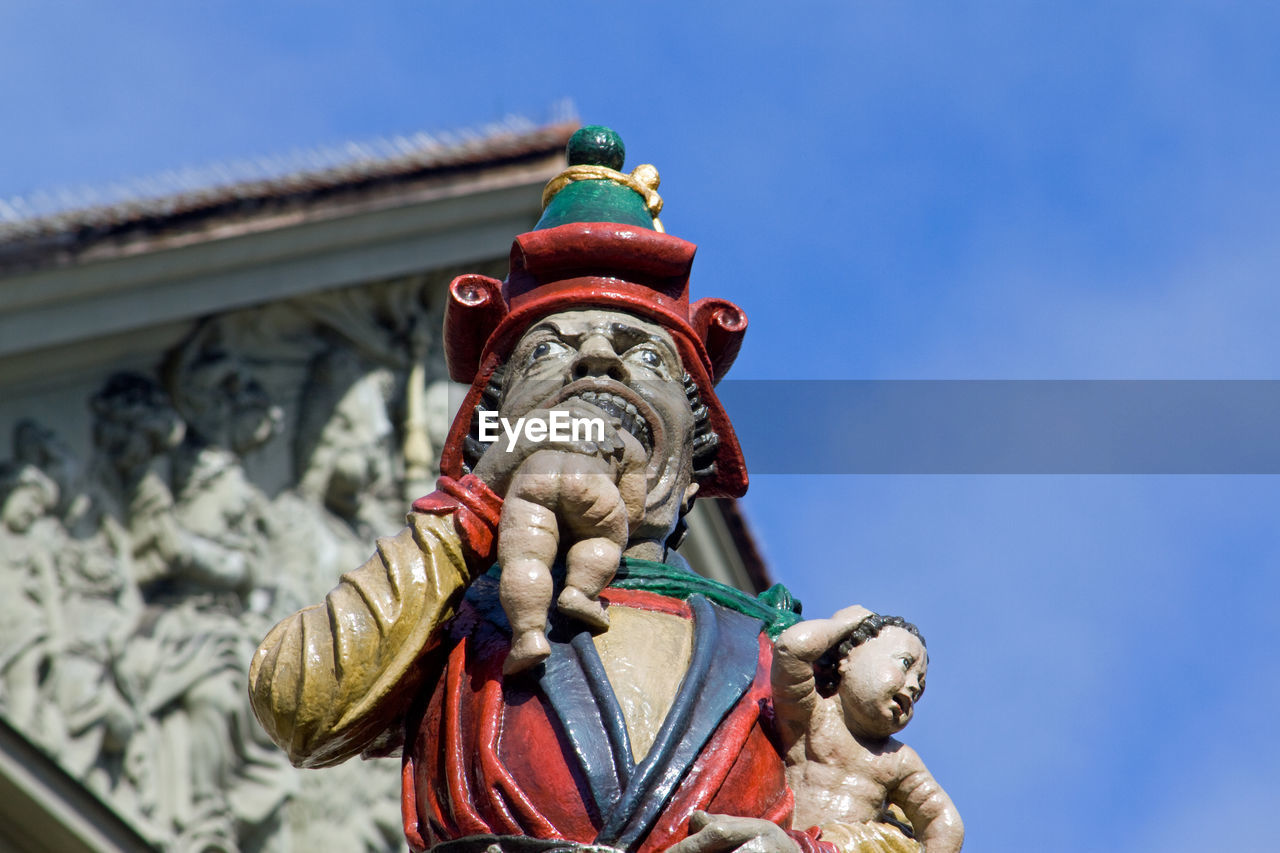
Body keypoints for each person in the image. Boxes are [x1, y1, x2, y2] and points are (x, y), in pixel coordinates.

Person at [249, 126, 822, 853]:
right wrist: (478, 499)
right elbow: (300, 702)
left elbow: (891, 823)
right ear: (495, 424)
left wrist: (805, 849)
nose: (594, 359)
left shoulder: (782, 652)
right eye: (549, 350)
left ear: (696, 442)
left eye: (641, 352)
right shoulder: (453, 613)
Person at [772, 608, 964, 853]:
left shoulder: (898, 759)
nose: (914, 686)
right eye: (905, 663)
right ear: (848, 658)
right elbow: (791, 650)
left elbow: (944, 823)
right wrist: (842, 624)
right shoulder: (810, 716)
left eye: (920, 685)